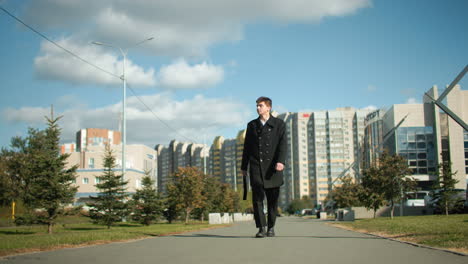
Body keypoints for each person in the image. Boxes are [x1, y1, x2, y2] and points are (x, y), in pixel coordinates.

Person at [241, 96, 286, 238]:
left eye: (260, 105)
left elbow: (282, 145)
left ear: (268, 107)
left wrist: (281, 162)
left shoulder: (279, 124)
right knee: (257, 200)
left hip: (273, 169)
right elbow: (247, 147)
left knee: (273, 201)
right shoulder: (252, 125)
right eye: (257, 105)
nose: (257, 108)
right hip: (256, 168)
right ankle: (261, 228)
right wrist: (243, 166)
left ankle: (271, 227)